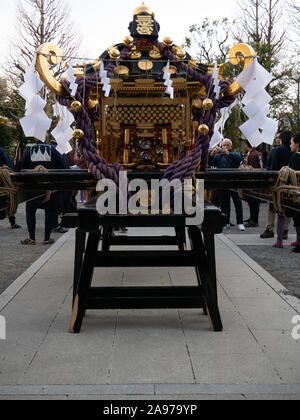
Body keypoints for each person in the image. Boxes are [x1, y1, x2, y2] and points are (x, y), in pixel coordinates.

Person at [19, 139, 68, 245]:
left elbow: (21, 167)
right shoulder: (54, 150)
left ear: (36, 139)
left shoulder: (29, 150)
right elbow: (63, 166)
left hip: (33, 187)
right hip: (49, 187)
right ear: (45, 139)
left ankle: (32, 238)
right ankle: (46, 238)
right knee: (49, 211)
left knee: (30, 211)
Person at [260, 131, 294, 239]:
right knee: (287, 206)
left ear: (282, 139)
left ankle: (269, 228)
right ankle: (285, 229)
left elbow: (271, 166)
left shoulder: (277, 150)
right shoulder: (295, 152)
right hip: (291, 183)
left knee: (272, 205)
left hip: (277, 182)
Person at [209, 139, 245, 231]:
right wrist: (211, 155)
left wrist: (228, 153)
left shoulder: (235, 154)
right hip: (223, 181)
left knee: (237, 202)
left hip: (233, 181)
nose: (225, 147)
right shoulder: (218, 156)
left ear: (231, 146)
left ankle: (240, 223)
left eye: (227, 145)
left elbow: (239, 159)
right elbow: (210, 163)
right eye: (223, 145)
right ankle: (226, 222)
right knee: (224, 203)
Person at [273, 133, 300, 252]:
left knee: (281, 212)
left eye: (292, 143)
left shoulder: (296, 157)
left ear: (297, 144)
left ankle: (279, 241)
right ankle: (298, 240)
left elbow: (291, 173)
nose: (290, 146)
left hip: (293, 191)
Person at [0, 146, 21, 229]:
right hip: (3, 180)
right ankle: (12, 223)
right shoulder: (1, 150)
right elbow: (8, 164)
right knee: (10, 199)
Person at [244, 140, 263, 227]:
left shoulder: (252, 155)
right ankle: (252, 218)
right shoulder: (258, 153)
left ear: (247, 145)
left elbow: (250, 168)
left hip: (253, 180)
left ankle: (254, 221)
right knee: (254, 202)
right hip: (259, 179)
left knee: (253, 202)